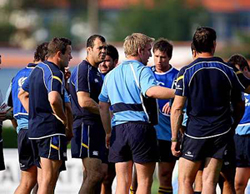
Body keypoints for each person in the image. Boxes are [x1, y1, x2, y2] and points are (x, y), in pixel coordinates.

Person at [98, 33, 175, 194]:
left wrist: (108, 132)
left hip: (118, 130)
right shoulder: (142, 70)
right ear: (140, 50)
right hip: (140, 128)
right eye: (148, 50)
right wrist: (179, 92)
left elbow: (103, 105)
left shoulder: (111, 74)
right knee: (144, 182)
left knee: (122, 183)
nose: (149, 55)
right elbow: (151, 91)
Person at [171, 27, 243, 194]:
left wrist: (175, 138)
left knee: (185, 180)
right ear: (214, 45)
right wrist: (233, 125)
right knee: (209, 181)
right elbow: (239, 103)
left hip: (196, 133)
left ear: (193, 47)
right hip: (221, 131)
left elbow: (177, 108)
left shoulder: (186, 72)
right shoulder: (229, 70)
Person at [18, 37, 73, 194]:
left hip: (35, 130)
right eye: (68, 53)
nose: (71, 57)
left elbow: (22, 94)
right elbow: (54, 98)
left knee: (42, 180)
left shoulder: (38, 69)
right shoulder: (55, 72)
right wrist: (62, 119)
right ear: (58, 54)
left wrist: (36, 115)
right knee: (48, 180)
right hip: (50, 131)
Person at [6, 42, 48, 194]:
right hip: (40, 131)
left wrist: (18, 128)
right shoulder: (43, 74)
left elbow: (8, 109)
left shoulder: (17, 76)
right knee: (45, 180)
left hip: (23, 132)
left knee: (27, 182)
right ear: (47, 57)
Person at [69, 34, 107, 194]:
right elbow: (84, 101)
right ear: (89, 50)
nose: (104, 51)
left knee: (98, 175)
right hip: (86, 126)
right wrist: (106, 112)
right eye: (100, 48)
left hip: (97, 127)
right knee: (95, 174)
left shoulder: (96, 72)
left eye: (105, 48)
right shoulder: (83, 69)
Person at [151, 38, 179, 194]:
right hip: (147, 133)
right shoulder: (145, 73)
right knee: (140, 176)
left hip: (167, 133)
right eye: (156, 56)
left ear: (169, 57)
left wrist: (174, 101)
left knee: (165, 175)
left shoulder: (177, 76)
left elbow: (184, 102)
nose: (159, 60)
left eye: (163, 57)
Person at [228, 54, 250, 194]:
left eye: (238, 73)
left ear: (246, 70)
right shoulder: (232, 89)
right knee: (238, 185)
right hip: (238, 140)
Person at [98, 44, 119, 194]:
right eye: (102, 60)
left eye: (107, 60)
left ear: (115, 61)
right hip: (98, 131)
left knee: (110, 176)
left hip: (117, 131)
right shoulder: (95, 77)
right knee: (100, 175)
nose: (103, 64)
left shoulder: (118, 78)